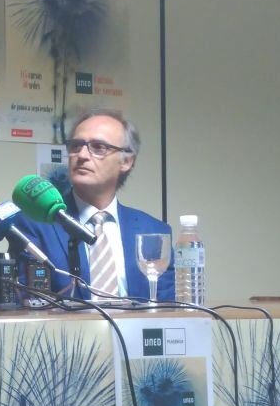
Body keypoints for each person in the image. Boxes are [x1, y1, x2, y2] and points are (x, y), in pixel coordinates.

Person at [12, 110, 175, 301]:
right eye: (76, 146)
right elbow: (25, 303)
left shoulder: (154, 231)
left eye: (98, 147)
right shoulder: (34, 224)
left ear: (126, 161)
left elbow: (168, 309)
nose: (81, 155)